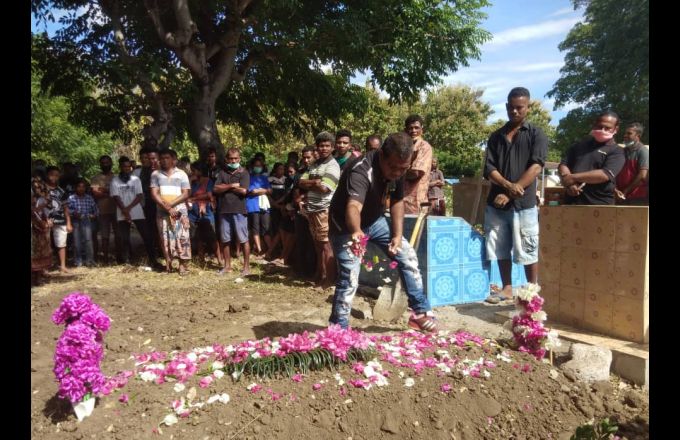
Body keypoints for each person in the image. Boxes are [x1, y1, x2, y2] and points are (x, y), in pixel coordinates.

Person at [328, 132, 437, 331]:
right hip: (345, 226)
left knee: (408, 256)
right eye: (393, 167)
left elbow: (396, 201)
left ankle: (420, 312)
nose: (397, 173)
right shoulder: (361, 171)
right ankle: (338, 329)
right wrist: (356, 232)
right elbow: (352, 207)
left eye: (402, 169)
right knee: (350, 275)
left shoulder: (400, 166)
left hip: (375, 220)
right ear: (381, 156)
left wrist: (396, 235)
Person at [483, 87, 548, 304]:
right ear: (506, 106)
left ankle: (532, 290)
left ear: (527, 107)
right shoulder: (496, 136)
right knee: (500, 245)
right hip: (496, 203)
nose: (514, 111)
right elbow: (489, 168)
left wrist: (512, 192)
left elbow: (537, 166)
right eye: (511, 107)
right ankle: (507, 288)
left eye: (519, 107)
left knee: (528, 246)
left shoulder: (536, 134)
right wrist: (507, 185)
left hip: (524, 203)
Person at [298, 132, 341, 288]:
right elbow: (300, 182)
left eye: (327, 145)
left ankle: (329, 280)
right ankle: (320, 274)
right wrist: (314, 181)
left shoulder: (333, 165)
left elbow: (324, 188)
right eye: (321, 145)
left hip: (324, 209)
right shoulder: (315, 164)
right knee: (317, 245)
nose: (324, 148)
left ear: (332, 147)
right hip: (312, 209)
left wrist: (312, 182)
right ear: (317, 146)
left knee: (326, 245)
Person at [558, 111, 625, 206]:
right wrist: (569, 184)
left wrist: (572, 177)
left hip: (600, 205)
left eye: (607, 128)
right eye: (599, 126)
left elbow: (604, 175)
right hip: (572, 203)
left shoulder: (617, 151)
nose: (602, 130)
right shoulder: (579, 145)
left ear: (616, 129)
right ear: (594, 125)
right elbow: (563, 164)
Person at [150, 149, 192, 275]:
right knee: (165, 238)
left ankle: (182, 266)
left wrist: (172, 205)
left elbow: (186, 193)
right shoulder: (155, 174)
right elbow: (154, 194)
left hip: (180, 212)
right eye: (161, 158)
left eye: (167, 158)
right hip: (162, 212)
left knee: (182, 237)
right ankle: (168, 265)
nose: (163, 160)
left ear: (174, 160)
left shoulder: (182, 174)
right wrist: (167, 208)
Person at [110, 156, 155, 265]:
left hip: (137, 211)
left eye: (128, 166)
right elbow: (115, 197)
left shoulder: (135, 179)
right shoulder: (115, 180)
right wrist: (124, 211)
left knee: (146, 236)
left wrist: (128, 209)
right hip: (122, 213)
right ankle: (127, 261)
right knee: (124, 238)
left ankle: (153, 259)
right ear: (120, 167)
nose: (126, 168)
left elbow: (139, 195)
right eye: (124, 166)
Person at [213, 148, 251, 275]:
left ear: (239, 159)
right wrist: (231, 186)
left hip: (239, 210)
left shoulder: (244, 172)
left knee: (243, 239)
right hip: (224, 210)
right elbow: (215, 189)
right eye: (231, 158)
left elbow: (244, 191)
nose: (233, 161)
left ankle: (246, 268)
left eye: (235, 158)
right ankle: (227, 266)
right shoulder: (222, 172)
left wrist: (224, 188)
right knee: (225, 239)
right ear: (226, 159)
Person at [187, 162, 220, 265]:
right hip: (193, 211)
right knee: (197, 236)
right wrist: (189, 182)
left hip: (206, 210)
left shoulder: (208, 181)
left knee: (212, 236)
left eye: (194, 170)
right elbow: (186, 194)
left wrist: (194, 198)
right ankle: (201, 258)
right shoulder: (192, 182)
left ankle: (219, 259)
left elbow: (209, 195)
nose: (192, 173)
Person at [91, 155, 119, 264]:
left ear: (111, 163)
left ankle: (119, 257)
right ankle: (105, 258)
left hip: (117, 209)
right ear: (100, 164)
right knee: (104, 235)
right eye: (103, 162)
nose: (105, 164)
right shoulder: (95, 178)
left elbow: (118, 193)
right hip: (102, 211)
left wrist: (104, 190)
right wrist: (111, 191)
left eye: (107, 162)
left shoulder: (117, 177)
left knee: (118, 235)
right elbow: (96, 193)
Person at [403, 115, 433, 214]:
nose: (413, 131)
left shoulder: (424, 147)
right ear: (405, 130)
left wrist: (396, 173)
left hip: (416, 205)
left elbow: (416, 173)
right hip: (401, 203)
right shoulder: (404, 147)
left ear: (422, 129)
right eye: (410, 128)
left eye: (416, 128)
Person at [45, 166, 73, 273]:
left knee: (61, 243)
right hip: (45, 220)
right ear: (47, 175)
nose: (54, 177)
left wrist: (69, 222)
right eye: (52, 174)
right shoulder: (42, 189)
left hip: (60, 220)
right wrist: (44, 219)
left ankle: (62, 266)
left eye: (57, 175)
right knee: (46, 244)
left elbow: (66, 208)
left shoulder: (61, 191)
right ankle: (45, 267)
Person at [615, 122, 649, 206]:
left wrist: (625, 191)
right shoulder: (623, 151)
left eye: (629, 133)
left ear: (638, 136)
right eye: (625, 133)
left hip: (637, 197)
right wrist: (616, 190)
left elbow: (642, 176)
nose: (625, 135)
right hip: (620, 196)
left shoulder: (643, 151)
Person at [68, 178, 99, 267]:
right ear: (75, 187)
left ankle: (89, 260)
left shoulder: (89, 198)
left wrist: (93, 215)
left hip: (86, 220)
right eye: (79, 187)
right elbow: (67, 209)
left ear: (85, 188)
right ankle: (78, 261)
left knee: (88, 240)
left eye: (83, 187)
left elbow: (96, 210)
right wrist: (74, 213)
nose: (81, 189)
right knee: (77, 241)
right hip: (75, 221)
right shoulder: (71, 198)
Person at [246, 157, 273, 256]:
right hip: (252, 205)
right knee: (255, 228)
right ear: (252, 166)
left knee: (266, 227)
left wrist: (260, 190)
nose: (258, 167)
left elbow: (270, 191)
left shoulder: (264, 178)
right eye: (256, 166)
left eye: (260, 166)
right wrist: (264, 190)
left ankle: (270, 250)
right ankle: (259, 249)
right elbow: (252, 191)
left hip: (264, 206)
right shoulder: (248, 177)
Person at [31, 177, 53, 285]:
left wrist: (46, 221)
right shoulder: (33, 199)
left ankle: (38, 277)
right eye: (35, 187)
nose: (37, 189)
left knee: (40, 253)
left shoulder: (45, 199)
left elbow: (46, 212)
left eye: (39, 187)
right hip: (33, 227)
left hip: (41, 229)